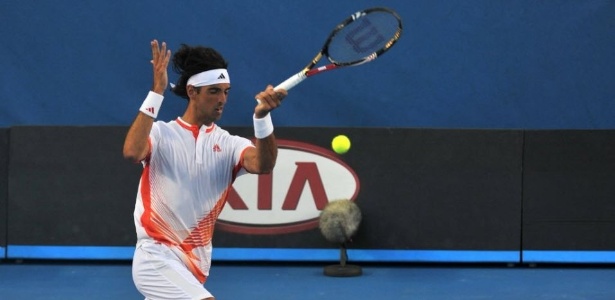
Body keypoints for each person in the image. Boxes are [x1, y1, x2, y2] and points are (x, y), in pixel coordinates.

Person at [123, 40, 286, 300]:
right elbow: (132, 151)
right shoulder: (161, 134)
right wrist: (157, 92)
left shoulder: (230, 144)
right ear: (192, 92)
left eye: (226, 91)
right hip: (156, 255)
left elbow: (263, 165)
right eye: (213, 91)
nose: (222, 99)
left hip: (195, 265)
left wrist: (262, 118)